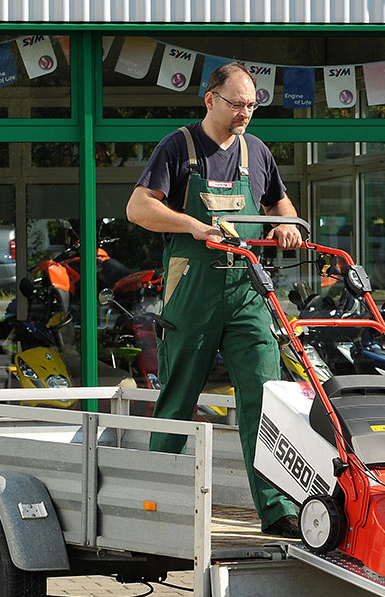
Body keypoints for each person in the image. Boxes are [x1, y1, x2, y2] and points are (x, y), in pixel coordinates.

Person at [126, 62, 302, 537]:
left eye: (252, 105)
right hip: (194, 288)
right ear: (210, 100)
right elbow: (138, 207)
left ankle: (277, 508)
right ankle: (154, 507)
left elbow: (279, 204)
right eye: (237, 103)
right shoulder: (178, 147)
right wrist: (192, 225)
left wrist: (285, 222)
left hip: (247, 291)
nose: (246, 112)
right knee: (179, 395)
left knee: (264, 400)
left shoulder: (257, 152)